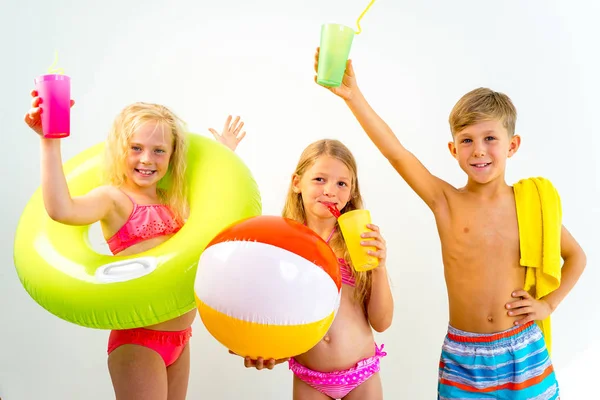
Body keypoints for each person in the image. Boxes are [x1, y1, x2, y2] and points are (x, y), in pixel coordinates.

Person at [314, 48, 587, 399]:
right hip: (464, 357)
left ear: (512, 145)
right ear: (452, 149)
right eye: (467, 141)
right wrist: (354, 97)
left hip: (522, 351)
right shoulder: (446, 202)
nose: (478, 150)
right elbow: (396, 151)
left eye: (490, 138)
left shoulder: (529, 205)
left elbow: (576, 256)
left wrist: (548, 304)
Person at [25, 91, 247, 400]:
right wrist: (50, 141)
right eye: (136, 148)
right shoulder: (113, 198)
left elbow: (217, 223)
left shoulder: (173, 201)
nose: (147, 159)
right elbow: (61, 210)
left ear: (172, 156)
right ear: (120, 149)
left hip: (181, 339)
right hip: (138, 342)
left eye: (159, 150)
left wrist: (222, 159)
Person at [234, 138, 394, 400]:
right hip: (310, 379)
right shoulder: (283, 247)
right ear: (297, 183)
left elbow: (382, 322)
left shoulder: (358, 243)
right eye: (319, 179)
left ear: (352, 192)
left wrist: (379, 267)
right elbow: (282, 319)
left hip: (361, 377)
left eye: (342, 183)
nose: (331, 190)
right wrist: (266, 351)